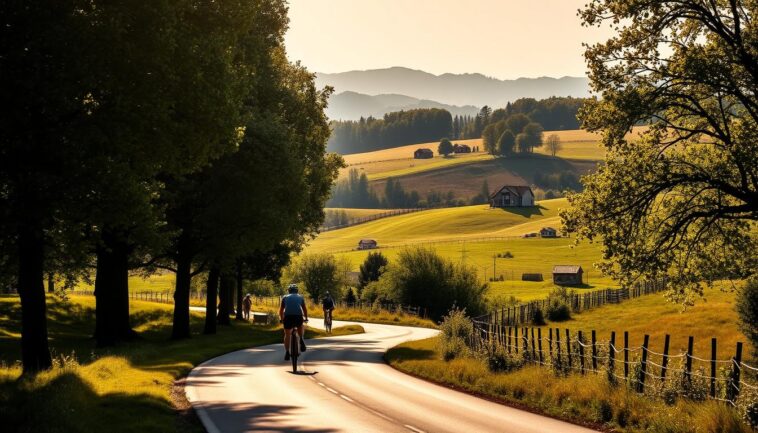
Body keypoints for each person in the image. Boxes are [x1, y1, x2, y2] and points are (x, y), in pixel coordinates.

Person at [279, 283, 308, 361]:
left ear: (289, 291)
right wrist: (306, 318)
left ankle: (287, 352)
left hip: (288, 317)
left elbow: (281, 310)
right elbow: (304, 309)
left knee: (287, 334)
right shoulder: (300, 297)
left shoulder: (284, 297)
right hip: (298, 317)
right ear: (297, 291)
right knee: (301, 325)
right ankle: (301, 338)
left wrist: (281, 319)